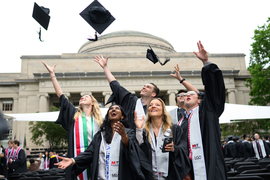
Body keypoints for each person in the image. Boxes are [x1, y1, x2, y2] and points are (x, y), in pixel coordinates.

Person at [42, 61, 103, 180]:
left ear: (92, 103)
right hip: (74, 161)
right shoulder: (74, 116)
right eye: (82, 97)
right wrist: (52, 75)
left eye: (86, 97)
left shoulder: (100, 121)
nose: (82, 97)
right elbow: (61, 95)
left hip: (95, 160)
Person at [177, 41, 227, 180]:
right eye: (185, 95)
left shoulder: (208, 110)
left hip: (207, 163)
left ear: (200, 100)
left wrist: (206, 62)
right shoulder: (180, 121)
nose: (187, 95)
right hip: (187, 168)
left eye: (191, 94)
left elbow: (213, 89)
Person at [55, 104, 146, 180]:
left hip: (121, 176)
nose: (113, 109)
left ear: (122, 116)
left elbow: (131, 149)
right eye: (111, 109)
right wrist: (73, 160)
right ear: (108, 117)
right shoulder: (100, 135)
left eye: (117, 108)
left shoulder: (129, 132)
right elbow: (89, 153)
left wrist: (123, 135)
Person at [94, 55, 160, 129]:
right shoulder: (131, 101)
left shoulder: (156, 109)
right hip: (129, 138)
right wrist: (105, 67)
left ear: (153, 94)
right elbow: (116, 86)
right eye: (144, 86)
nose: (144, 87)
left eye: (148, 87)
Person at [135, 98, 190, 180]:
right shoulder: (144, 131)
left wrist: (174, 148)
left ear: (163, 110)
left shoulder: (174, 129)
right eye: (150, 105)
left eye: (157, 105)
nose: (153, 106)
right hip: (149, 176)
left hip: (170, 175)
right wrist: (139, 129)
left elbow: (184, 147)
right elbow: (138, 149)